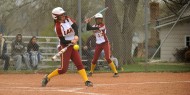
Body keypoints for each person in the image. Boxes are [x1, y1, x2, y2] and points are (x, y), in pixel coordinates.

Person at [41, 7, 93, 87]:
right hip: (64, 46)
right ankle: (47, 77)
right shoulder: (58, 27)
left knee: (79, 64)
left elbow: (75, 27)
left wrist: (76, 36)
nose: (63, 16)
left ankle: (86, 81)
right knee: (63, 69)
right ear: (56, 17)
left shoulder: (67, 19)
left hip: (72, 45)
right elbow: (62, 40)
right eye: (61, 15)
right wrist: (71, 41)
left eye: (63, 14)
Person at [85, 13, 119, 77]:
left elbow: (90, 28)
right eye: (97, 19)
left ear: (102, 20)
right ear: (95, 20)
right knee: (94, 59)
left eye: (100, 19)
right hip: (98, 44)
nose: (99, 20)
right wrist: (88, 23)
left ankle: (115, 72)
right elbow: (88, 28)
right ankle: (91, 72)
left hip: (105, 43)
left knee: (107, 58)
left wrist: (88, 23)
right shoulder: (94, 25)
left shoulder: (102, 26)